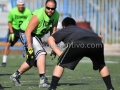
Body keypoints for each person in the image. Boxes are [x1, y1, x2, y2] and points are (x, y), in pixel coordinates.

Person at [47, 17, 114, 90]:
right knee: (101, 65)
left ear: (64, 26)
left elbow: (50, 39)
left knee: (60, 64)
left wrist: (59, 53)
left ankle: (52, 88)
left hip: (79, 43)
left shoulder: (65, 29)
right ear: (75, 24)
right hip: (97, 42)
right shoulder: (84, 29)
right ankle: (110, 88)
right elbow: (100, 37)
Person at [10, 0, 59, 88]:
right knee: (41, 53)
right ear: (45, 6)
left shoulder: (56, 15)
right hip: (26, 33)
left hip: (36, 35)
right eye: (48, 8)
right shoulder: (39, 15)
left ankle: (15, 75)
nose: (50, 10)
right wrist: (30, 48)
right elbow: (28, 31)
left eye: (52, 9)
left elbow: (53, 31)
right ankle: (42, 80)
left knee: (32, 60)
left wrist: (53, 47)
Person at [1, 0, 31, 67]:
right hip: (14, 30)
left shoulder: (28, 11)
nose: (21, 6)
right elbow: (9, 22)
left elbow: (30, 22)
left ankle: (31, 60)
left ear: (24, 5)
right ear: (17, 5)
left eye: (22, 5)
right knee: (8, 44)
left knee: (28, 45)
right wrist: (11, 32)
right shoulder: (12, 11)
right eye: (19, 5)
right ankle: (4, 61)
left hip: (23, 30)